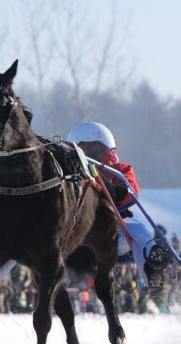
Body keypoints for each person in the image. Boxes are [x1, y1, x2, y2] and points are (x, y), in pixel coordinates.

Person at [66, 121, 172, 291]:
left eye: (93, 146)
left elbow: (129, 195)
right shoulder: (69, 171)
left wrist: (101, 180)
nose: (86, 151)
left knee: (138, 230)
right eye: (83, 147)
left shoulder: (120, 170)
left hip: (111, 233)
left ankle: (152, 268)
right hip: (77, 236)